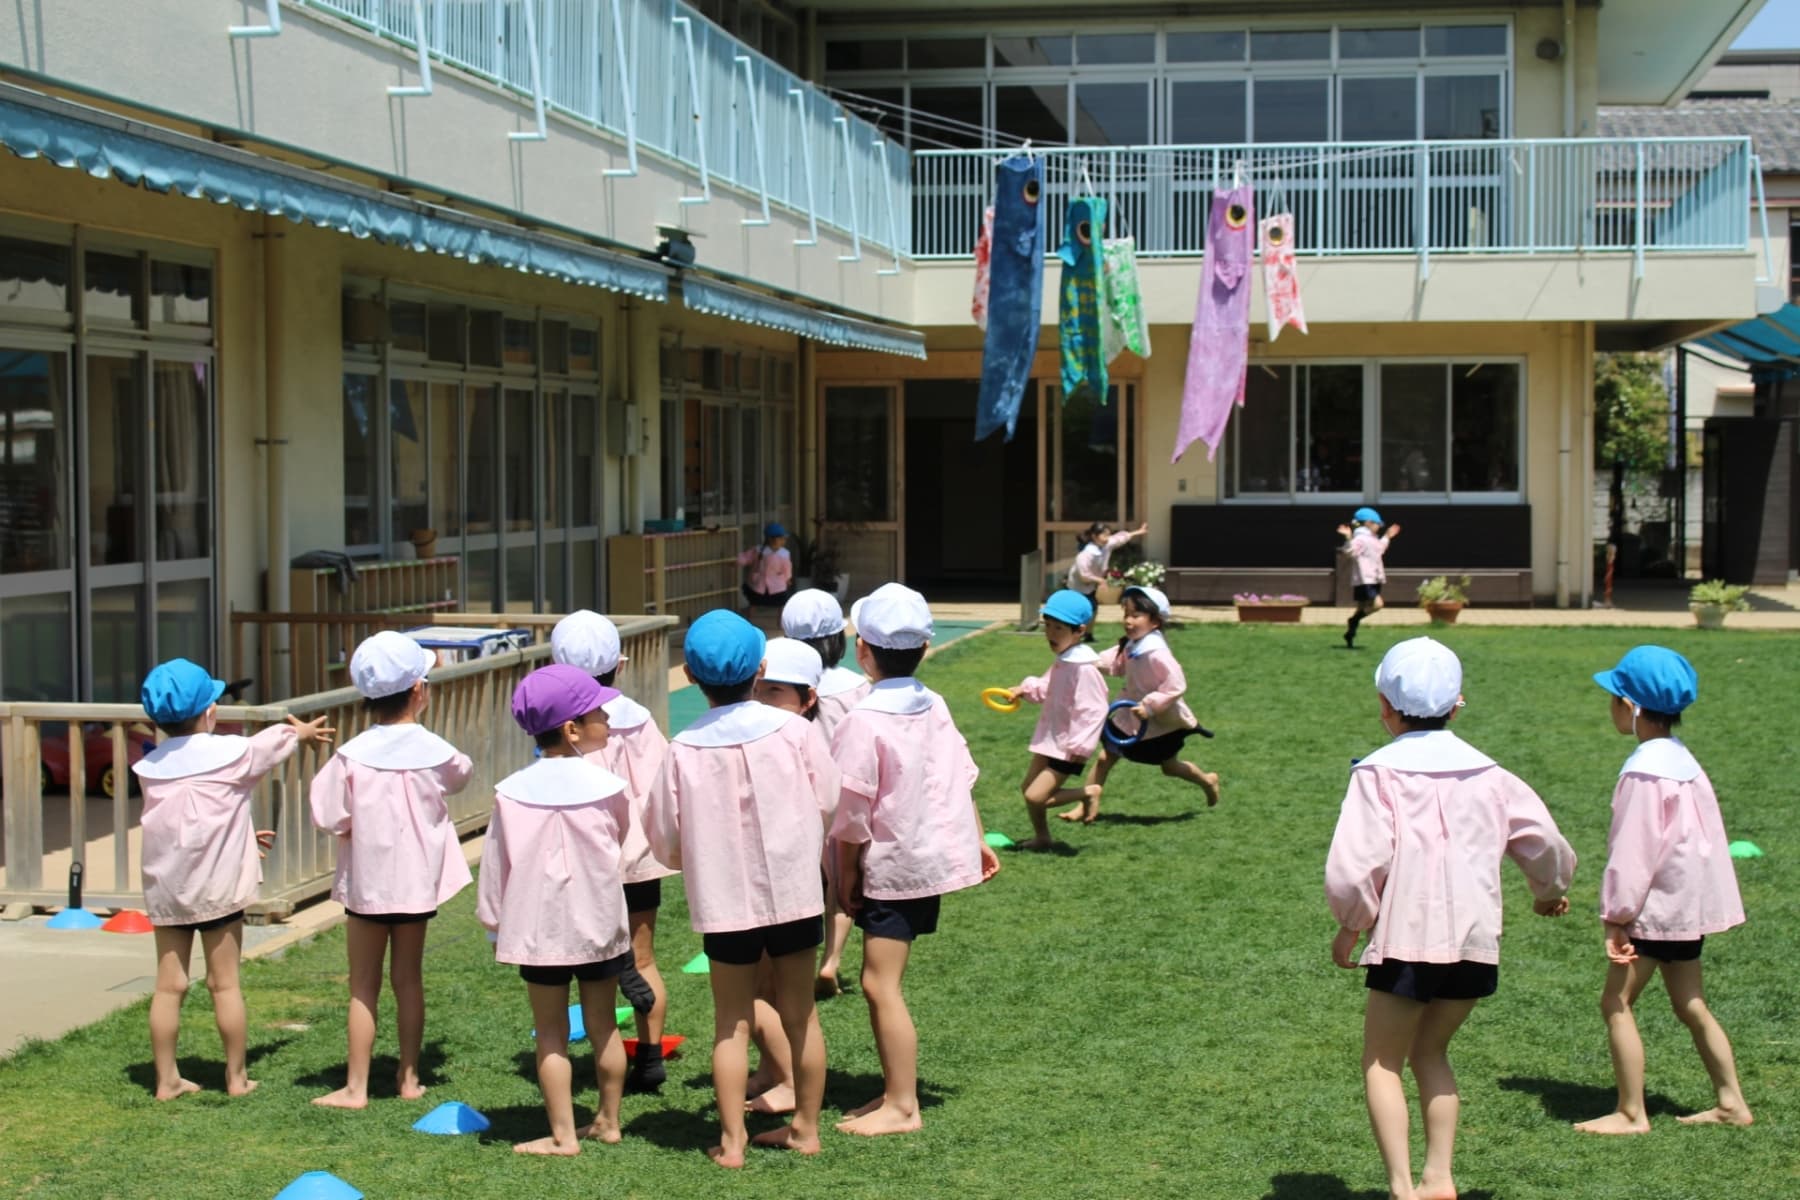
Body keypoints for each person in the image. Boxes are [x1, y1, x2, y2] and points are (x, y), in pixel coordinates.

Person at [1326, 637, 1576, 1200]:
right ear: (1457, 705)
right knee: (1432, 1052)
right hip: (1473, 941)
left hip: (1405, 940)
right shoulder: (1491, 773)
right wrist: (1548, 890)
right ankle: (1439, 1176)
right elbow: (1547, 844)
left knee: (1382, 1061)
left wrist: (1351, 922)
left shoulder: (1377, 773)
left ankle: (1401, 1188)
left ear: (1383, 706)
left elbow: (1356, 863)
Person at [645, 610, 839, 1168]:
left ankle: (732, 1142)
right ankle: (806, 1128)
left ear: (688, 674)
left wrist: (698, 861)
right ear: (760, 668)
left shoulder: (683, 747)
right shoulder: (796, 731)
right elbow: (827, 798)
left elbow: (663, 835)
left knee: (729, 1022)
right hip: (794, 891)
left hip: (724, 898)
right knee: (801, 1013)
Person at [830, 583, 1003, 1137]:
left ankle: (903, 1105)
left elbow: (852, 811)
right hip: (927, 858)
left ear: (862, 649)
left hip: (894, 867)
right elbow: (961, 774)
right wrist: (975, 837)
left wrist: (847, 872)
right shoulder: (935, 702)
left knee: (881, 984)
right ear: (925, 648)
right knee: (882, 980)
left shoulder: (862, 719)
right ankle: (893, 1093)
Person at [131, 658, 334, 1100]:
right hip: (219, 891)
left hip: (168, 891)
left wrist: (240, 835)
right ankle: (237, 1078)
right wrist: (298, 733)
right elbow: (265, 747)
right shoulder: (230, 756)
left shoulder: (150, 769)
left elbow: (191, 823)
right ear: (209, 712)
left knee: (170, 986)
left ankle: (166, 1080)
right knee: (224, 984)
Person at [1573, 646, 1752, 1135]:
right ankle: (1731, 1101)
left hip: (1654, 912)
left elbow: (1633, 853)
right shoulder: (1685, 762)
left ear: (1631, 708)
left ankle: (1631, 1112)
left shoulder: (1643, 772)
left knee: (1616, 1002)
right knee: (1690, 1003)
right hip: (1686, 908)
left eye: (1613, 698)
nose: (1609, 707)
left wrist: (1616, 916)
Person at [309, 632, 473, 1109]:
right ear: (419, 691)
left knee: (362, 982)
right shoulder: (436, 752)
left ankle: (356, 1086)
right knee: (408, 978)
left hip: (367, 884)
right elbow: (461, 774)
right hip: (416, 885)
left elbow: (329, 814)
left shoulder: (350, 757)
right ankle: (408, 1077)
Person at [477, 665, 633, 1156]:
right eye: (597, 712)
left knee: (550, 1033)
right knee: (603, 1023)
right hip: (599, 922)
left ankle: (564, 1134)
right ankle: (608, 1120)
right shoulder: (607, 786)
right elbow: (622, 838)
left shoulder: (510, 793)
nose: (607, 715)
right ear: (571, 729)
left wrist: (494, 923)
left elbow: (495, 867)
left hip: (537, 928)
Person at [551, 610, 674, 1093]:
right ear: (619, 666)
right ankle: (649, 1058)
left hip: (586, 864)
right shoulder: (639, 721)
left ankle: (606, 1060)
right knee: (644, 960)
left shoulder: (563, 724)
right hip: (638, 859)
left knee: (593, 970)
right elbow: (661, 785)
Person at [1058, 584, 1218, 824]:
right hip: (1130, 715)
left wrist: (1151, 705)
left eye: (1136, 615)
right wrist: (1087, 660)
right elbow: (1116, 661)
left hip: (1159, 722)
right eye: (1126, 615)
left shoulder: (1155, 652)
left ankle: (1207, 780)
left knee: (1170, 767)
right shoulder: (1134, 644)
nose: (1128, 621)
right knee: (1104, 759)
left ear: (1155, 622)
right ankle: (1086, 805)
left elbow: (1175, 684)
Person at [782, 587, 870, 997]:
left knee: (805, 885)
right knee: (844, 884)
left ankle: (791, 967)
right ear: (839, 638)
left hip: (797, 801)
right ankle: (831, 961)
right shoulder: (857, 687)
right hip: (848, 799)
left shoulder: (781, 688)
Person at [1002, 589, 1109, 851]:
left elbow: (1095, 710)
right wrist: (1023, 689)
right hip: (1050, 739)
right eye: (1047, 626)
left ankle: (1089, 792)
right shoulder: (1065, 660)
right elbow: (1047, 687)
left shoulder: (1083, 668)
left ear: (1079, 631)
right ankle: (1042, 838)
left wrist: (1079, 747)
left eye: (1058, 628)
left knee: (1036, 796)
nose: (1050, 633)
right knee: (1028, 789)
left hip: (1068, 747)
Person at [1337, 507, 1402, 649]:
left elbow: (1380, 548)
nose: (1379, 527)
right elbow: (1350, 551)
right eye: (1377, 523)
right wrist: (1348, 538)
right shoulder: (1360, 539)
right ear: (1368, 523)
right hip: (1366, 580)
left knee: (1361, 607)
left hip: (1373, 579)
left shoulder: (1372, 539)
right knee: (1377, 604)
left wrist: (1387, 536)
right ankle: (1353, 620)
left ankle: (1350, 633)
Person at [738, 522, 795, 609]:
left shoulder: (784, 554)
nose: (783, 541)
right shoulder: (758, 550)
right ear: (771, 539)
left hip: (777, 584)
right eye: (781, 538)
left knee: (781, 603)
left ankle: (780, 620)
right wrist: (738, 561)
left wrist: (787, 579)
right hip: (758, 583)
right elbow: (747, 557)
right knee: (754, 601)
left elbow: (787, 568)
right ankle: (750, 617)